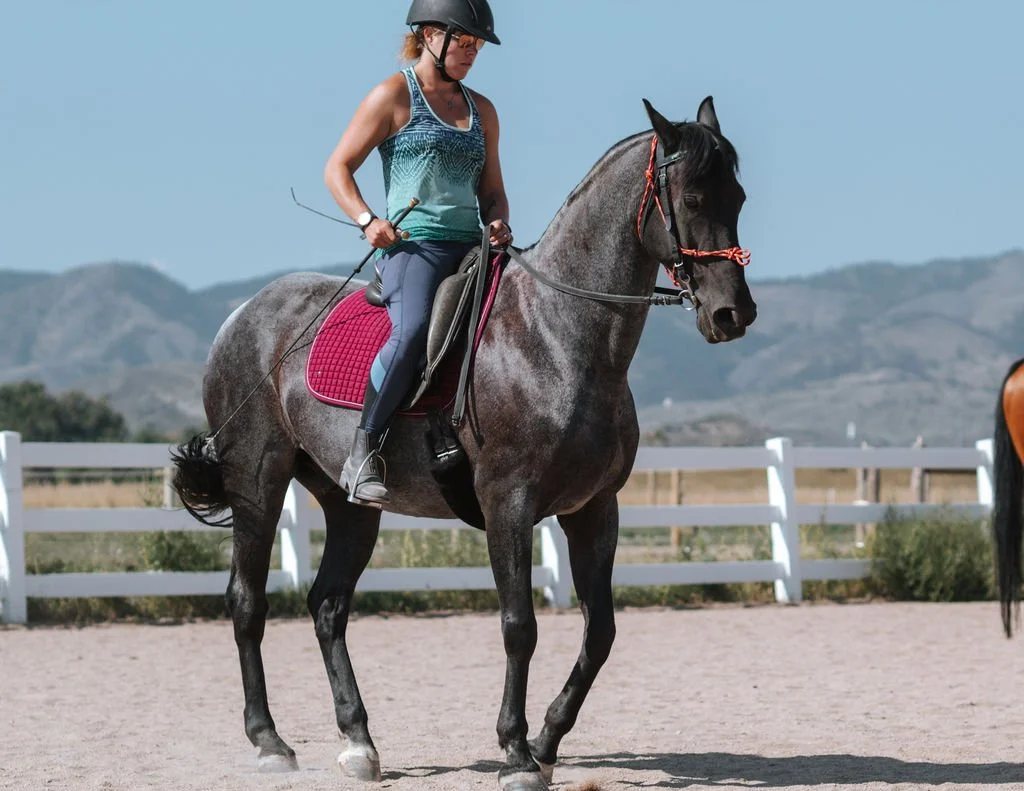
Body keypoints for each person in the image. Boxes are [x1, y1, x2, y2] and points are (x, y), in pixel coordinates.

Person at [324, 0, 511, 506]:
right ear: (430, 34)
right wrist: (368, 220)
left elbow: (491, 189)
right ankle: (363, 449)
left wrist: (496, 220)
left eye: (477, 47)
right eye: (465, 43)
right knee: (412, 333)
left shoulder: (482, 110)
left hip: (471, 246)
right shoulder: (392, 95)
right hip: (415, 248)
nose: (472, 54)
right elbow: (337, 169)